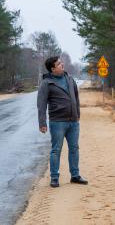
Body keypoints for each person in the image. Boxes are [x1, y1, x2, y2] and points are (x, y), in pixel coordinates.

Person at [37, 56, 88, 188]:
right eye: (59, 64)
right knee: (56, 150)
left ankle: (75, 176)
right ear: (52, 69)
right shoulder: (46, 83)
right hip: (57, 122)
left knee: (74, 148)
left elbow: (76, 98)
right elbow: (41, 104)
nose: (62, 65)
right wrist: (42, 123)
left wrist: (77, 114)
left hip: (73, 122)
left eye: (61, 63)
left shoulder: (70, 79)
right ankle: (54, 178)